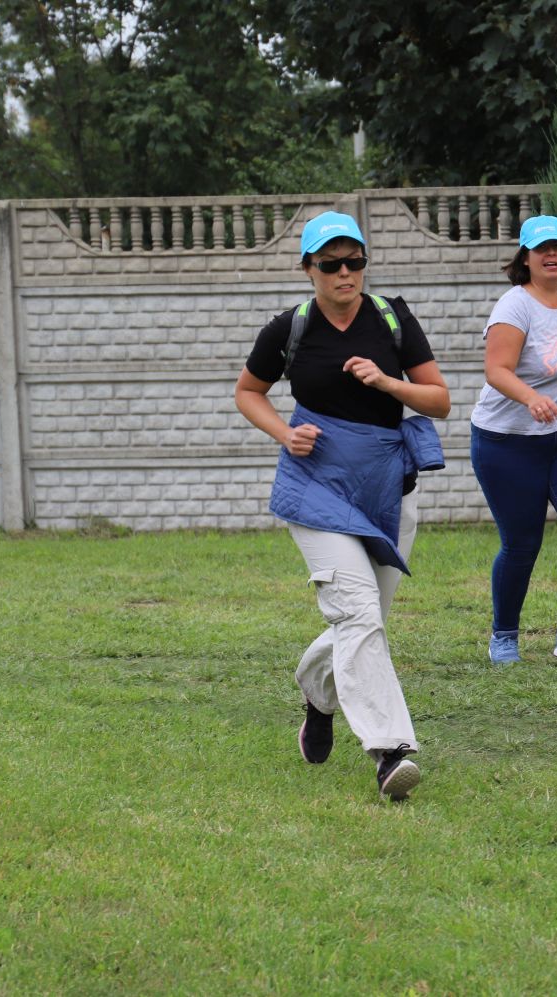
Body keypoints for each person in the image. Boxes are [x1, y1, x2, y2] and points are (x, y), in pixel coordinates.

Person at [234, 210, 451, 801]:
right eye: (331, 264)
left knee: (366, 620)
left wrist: (387, 383)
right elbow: (248, 392)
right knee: (358, 616)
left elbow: (439, 401)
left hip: (386, 489)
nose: (345, 272)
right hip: (316, 490)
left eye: (355, 261)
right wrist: (284, 433)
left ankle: (317, 692)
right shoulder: (289, 329)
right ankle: (391, 750)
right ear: (309, 269)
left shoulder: (391, 319)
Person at [470, 216, 557, 665]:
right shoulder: (515, 307)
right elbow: (496, 370)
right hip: (507, 440)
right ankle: (504, 634)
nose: (551, 255)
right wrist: (531, 398)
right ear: (524, 258)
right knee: (522, 544)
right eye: (541, 248)